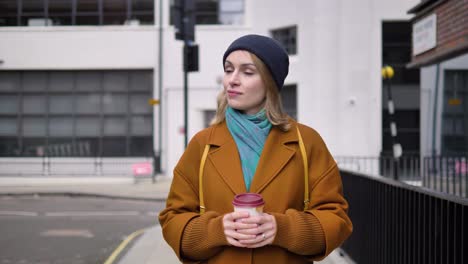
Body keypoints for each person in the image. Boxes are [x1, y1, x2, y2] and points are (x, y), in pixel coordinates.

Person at [159, 34, 352, 263]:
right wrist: (216, 230)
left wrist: (281, 229)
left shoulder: (307, 142)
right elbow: (173, 220)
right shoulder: (202, 144)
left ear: (270, 82)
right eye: (229, 70)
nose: (232, 80)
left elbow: (336, 220)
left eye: (247, 72)